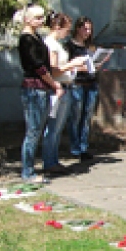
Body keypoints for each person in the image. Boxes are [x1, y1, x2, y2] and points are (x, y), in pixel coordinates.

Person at [18, 6, 66, 183]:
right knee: (33, 131)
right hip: (34, 88)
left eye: (41, 18)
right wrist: (54, 84)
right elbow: (39, 67)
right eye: (37, 18)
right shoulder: (27, 40)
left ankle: (30, 169)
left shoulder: (36, 37)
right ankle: (28, 172)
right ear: (27, 20)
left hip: (41, 88)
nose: (40, 21)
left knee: (37, 129)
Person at [42, 12, 87, 175]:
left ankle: (53, 160)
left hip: (66, 85)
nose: (68, 33)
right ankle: (49, 161)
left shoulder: (57, 44)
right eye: (66, 29)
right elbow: (53, 70)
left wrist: (75, 67)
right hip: (57, 88)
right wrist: (72, 64)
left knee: (58, 127)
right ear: (57, 27)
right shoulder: (51, 45)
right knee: (53, 127)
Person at [65, 16, 109, 161]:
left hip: (91, 84)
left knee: (86, 117)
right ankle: (74, 147)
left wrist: (100, 62)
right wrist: (85, 67)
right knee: (75, 117)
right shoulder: (70, 46)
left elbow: (94, 67)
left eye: (90, 29)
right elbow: (68, 66)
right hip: (77, 84)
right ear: (77, 28)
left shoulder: (90, 47)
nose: (88, 32)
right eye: (85, 28)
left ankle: (83, 147)